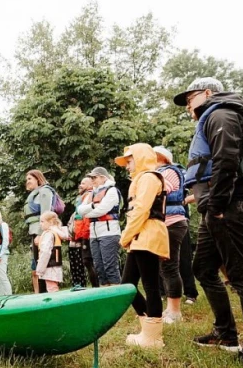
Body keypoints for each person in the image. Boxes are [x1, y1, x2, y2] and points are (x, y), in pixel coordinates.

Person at [174, 76, 243, 365]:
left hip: (231, 202)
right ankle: (225, 333)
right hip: (216, 206)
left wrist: (216, 204)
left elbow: (226, 158)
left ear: (207, 93)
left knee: (242, 275)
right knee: (203, 268)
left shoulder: (221, 112)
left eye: (190, 99)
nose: (187, 107)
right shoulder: (214, 114)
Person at [114, 144, 170, 348]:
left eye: (129, 161)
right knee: (127, 286)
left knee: (150, 286)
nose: (127, 166)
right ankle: (149, 330)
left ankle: (154, 337)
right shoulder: (141, 178)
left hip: (147, 234)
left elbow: (142, 211)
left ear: (140, 158)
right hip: (141, 235)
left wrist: (125, 236)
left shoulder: (148, 177)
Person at [153, 145, 189, 324]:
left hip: (172, 223)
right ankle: (169, 308)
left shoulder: (167, 172)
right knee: (164, 267)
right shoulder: (159, 173)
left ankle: (175, 312)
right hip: (165, 224)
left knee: (169, 266)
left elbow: (161, 190)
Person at [77, 167, 122, 286]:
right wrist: (92, 206)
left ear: (103, 177)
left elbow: (102, 210)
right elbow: (80, 210)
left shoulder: (111, 191)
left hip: (109, 233)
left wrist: (87, 212)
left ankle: (116, 296)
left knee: (110, 267)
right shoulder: (92, 193)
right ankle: (106, 297)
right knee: (99, 268)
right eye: (91, 177)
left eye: (94, 177)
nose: (92, 180)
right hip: (94, 233)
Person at [23, 170, 54, 293]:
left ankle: (45, 292)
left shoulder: (44, 191)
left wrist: (41, 235)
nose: (27, 182)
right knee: (37, 263)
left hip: (40, 232)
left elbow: (46, 214)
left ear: (38, 179)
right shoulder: (35, 193)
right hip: (34, 231)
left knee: (42, 263)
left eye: (30, 179)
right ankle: (41, 293)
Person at [68, 177, 99, 288]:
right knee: (87, 261)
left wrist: (84, 233)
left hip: (87, 233)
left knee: (88, 261)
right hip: (83, 233)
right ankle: (96, 288)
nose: (80, 185)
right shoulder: (82, 197)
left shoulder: (89, 195)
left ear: (91, 185)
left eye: (83, 183)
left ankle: (97, 289)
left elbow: (87, 217)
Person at [34, 211, 69, 293]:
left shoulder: (49, 234)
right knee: (53, 287)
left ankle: (57, 305)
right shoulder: (54, 233)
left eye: (42, 221)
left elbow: (45, 252)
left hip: (50, 265)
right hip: (54, 265)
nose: (40, 224)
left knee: (52, 289)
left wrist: (40, 269)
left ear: (50, 222)